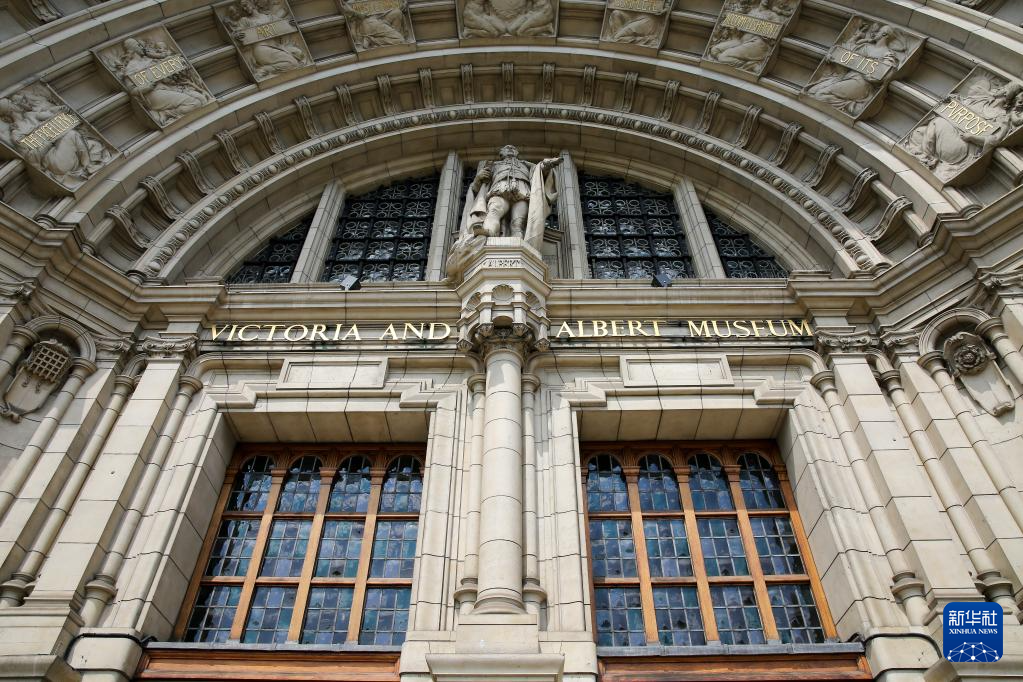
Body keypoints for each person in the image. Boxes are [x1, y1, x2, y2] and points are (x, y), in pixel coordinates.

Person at [905, 78, 1023, 181]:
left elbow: (995, 140)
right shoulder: (981, 100)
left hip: (962, 148)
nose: (999, 88)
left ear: (1007, 94)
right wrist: (949, 101)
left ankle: (926, 158)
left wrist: (972, 138)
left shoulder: (1002, 117)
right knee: (918, 133)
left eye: (1003, 88)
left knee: (938, 121)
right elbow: (959, 103)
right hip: (949, 135)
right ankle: (928, 156)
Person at [806, 24, 907, 116]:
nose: (875, 33)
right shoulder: (866, 47)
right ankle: (853, 107)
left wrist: (870, 76)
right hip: (847, 77)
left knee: (820, 95)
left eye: (878, 31)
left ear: (884, 34)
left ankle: (853, 107)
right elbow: (848, 53)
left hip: (862, 84)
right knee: (811, 91)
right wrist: (833, 55)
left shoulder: (888, 54)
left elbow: (886, 74)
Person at [107, 37, 210, 126]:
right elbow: (132, 90)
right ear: (133, 48)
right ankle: (166, 114)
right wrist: (147, 87)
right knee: (194, 103)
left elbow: (166, 71)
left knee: (203, 99)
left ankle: (167, 112)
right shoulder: (131, 67)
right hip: (153, 94)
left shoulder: (149, 60)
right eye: (138, 45)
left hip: (168, 87)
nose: (141, 47)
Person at [226, 0, 308, 76]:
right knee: (293, 63)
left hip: (278, 46)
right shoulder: (244, 20)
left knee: (300, 55)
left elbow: (284, 24)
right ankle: (263, 70)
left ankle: (265, 69)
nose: (244, 9)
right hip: (261, 49)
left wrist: (291, 23)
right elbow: (236, 33)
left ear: (252, 3)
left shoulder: (270, 17)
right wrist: (236, 35)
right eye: (242, 8)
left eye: (245, 5)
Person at [339, 0, 409, 48]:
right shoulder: (352, 4)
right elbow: (353, 25)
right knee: (400, 40)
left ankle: (391, 35)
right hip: (370, 24)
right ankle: (371, 40)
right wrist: (357, 41)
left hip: (381, 20)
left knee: (397, 12)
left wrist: (401, 4)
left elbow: (389, 6)